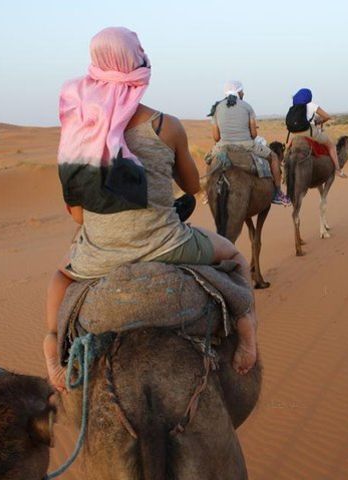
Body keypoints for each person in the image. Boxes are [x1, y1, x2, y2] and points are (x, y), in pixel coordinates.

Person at [44, 27, 258, 393]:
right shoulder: (167, 125)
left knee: (59, 280)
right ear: (139, 65)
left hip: (99, 256)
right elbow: (192, 187)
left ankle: (51, 350)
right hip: (168, 245)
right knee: (236, 256)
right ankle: (246, 330)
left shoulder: (78, 132)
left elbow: (78, 216)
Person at [210, 81, 290, 205]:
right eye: (242, 91)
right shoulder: (247, 106)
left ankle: (207, 191)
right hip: (247, 145)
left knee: (209, 161)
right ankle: (277, 193)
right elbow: (254, 135)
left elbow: (216, 137)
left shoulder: (217, 108)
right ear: (239, 92)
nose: (243, 93)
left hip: (223, 146)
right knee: (274, 157)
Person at [288, 88, 347, 178]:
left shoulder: (294, 106)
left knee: (288, 148)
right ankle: (338, 170)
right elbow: (327, 116)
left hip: (294, 133)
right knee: (331, 146)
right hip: (309, 131)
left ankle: (284, 167)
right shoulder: (312, 105)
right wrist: (319, 121)